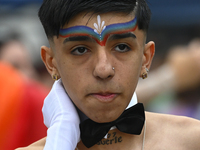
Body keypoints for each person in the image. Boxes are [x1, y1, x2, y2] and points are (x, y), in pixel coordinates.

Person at [16, 0, 200, 150]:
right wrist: (60, 142)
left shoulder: (192, 140)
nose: (103, 70)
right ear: (51, 62)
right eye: (80, 50)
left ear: (146, 58)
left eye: (122, 47)